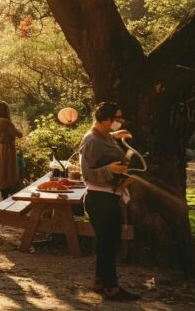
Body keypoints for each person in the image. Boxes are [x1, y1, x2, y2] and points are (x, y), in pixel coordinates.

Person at [80, 102, 139, 302]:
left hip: (110, 195)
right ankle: (111, 288)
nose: (120, 121)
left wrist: (121, 180)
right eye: (117, 118)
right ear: (105, 119)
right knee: (109, 244)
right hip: (100, 199)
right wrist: (111, 171)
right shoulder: (91, 141)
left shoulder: (105, 136)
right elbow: (87, 174)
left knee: (107, 243)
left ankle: (99, 281)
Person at [0, 102, 24, 198]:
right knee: (7, 173)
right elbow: (18, 134)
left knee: (1, 172)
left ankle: (4, 195)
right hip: (7, 148)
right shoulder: (5, 122)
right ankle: (6, 197)